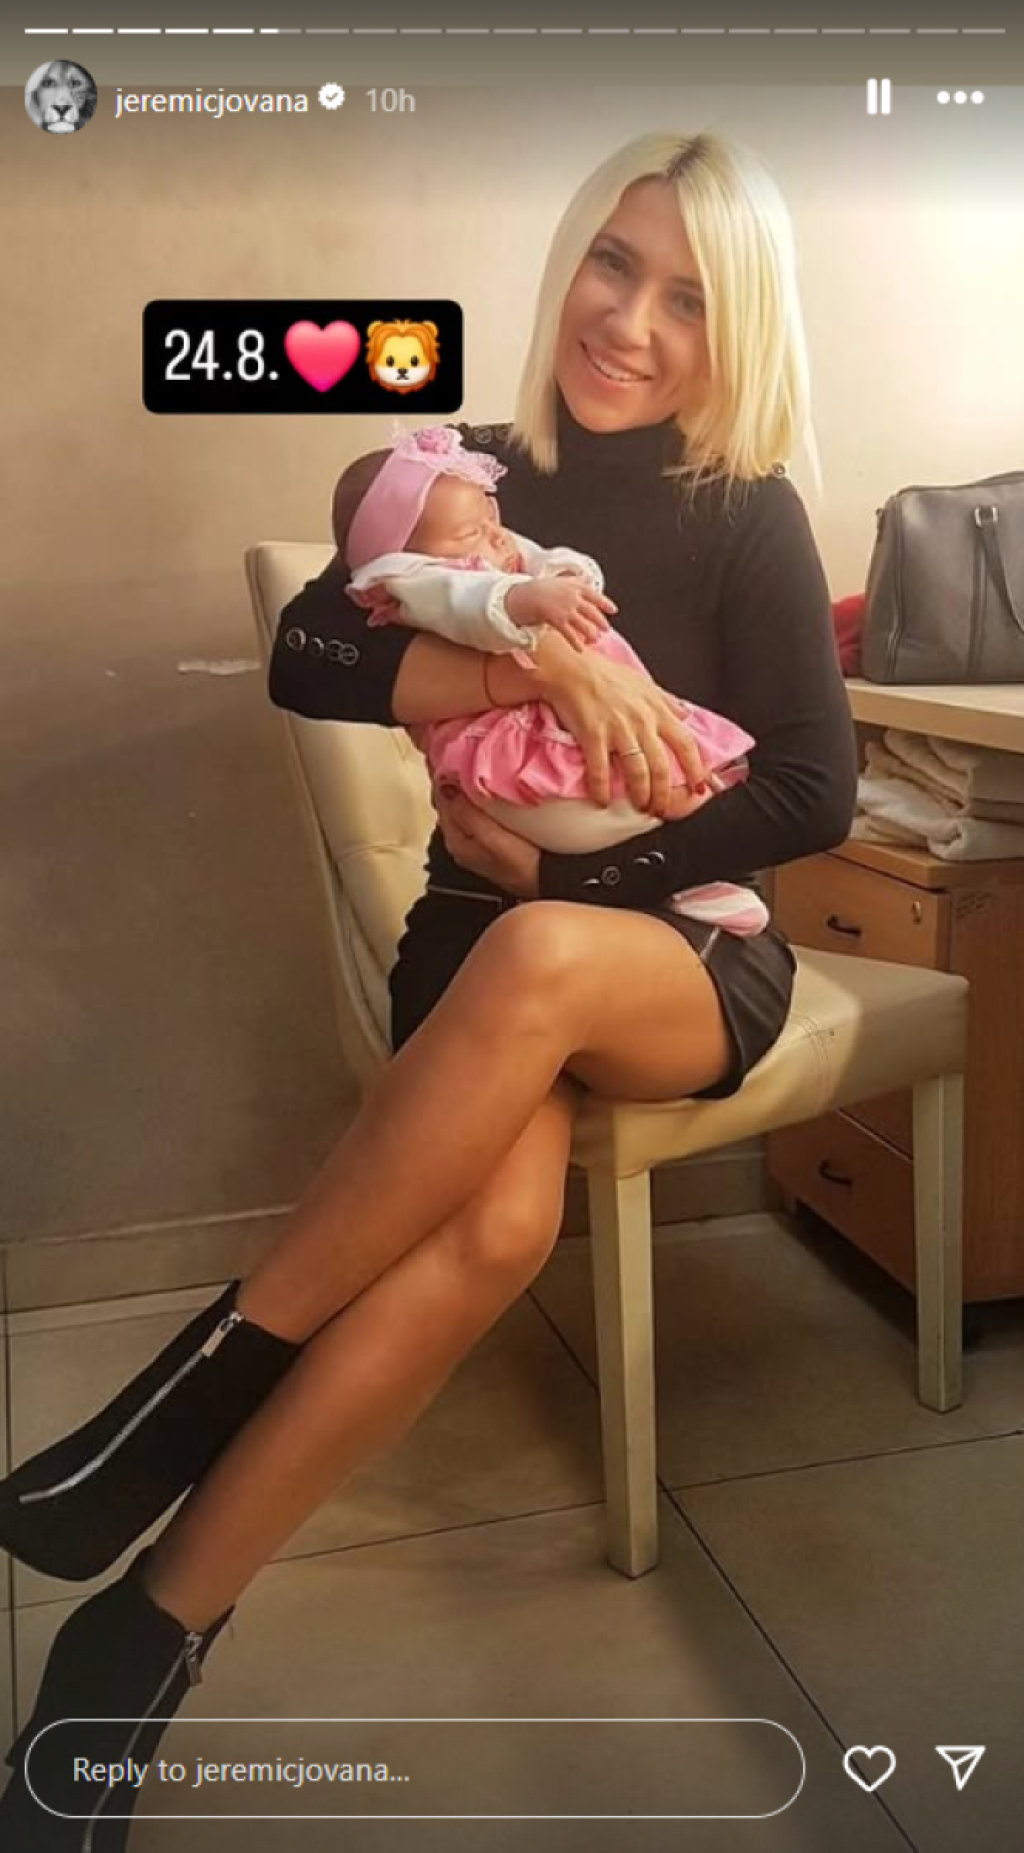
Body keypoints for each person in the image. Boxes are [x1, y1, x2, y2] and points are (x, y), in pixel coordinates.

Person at [0, 130, 856, 1848]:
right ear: (569, 257)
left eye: (686, 297)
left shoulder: (744, 505)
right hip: (477, 943)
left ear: (737, 326)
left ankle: (181, 1398)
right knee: (487, 1233)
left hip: (677, 948)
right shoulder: (462, 471)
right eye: (611, 263)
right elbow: (307, 652)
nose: (628, 321)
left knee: (535, 949)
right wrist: (525, 661)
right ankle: (134, 1646)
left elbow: (808, 794)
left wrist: (568, 880)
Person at [338, 421, 770, 936]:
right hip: (508, 748)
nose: (496, 534)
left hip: (564, 718)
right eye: (472, 533)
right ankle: (664, 876)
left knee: (657, 766)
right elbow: (465, 604)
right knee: (623, 794)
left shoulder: (485, 543)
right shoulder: (413, 584)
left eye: (492, 516)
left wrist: (564, 574)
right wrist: (526, 600)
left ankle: (668, 873)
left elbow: (540, 555)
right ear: (403, 557)